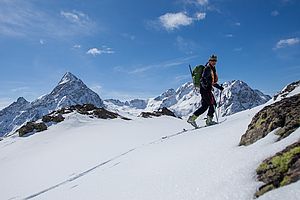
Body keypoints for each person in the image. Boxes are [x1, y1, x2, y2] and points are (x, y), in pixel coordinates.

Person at [187, 54, 224, 127]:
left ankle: (192, 119)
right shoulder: (207, 68)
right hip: (206, 90)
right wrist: (206, 87)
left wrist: (219, 87)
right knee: (213, 104)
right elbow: (203, 79)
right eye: (212, 60)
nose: (214, 62)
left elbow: (211, 81)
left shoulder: (212, 68)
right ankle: (209, 121)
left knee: (205, 106)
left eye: (215, 61)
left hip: (205, 90)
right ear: (209, 61)